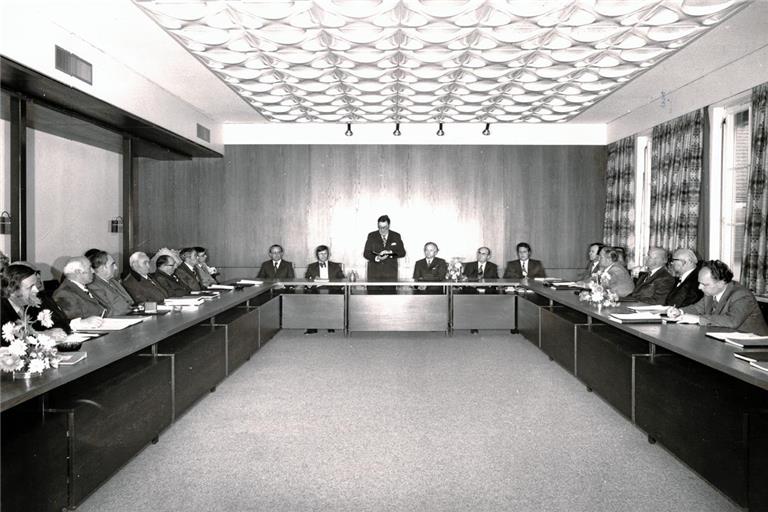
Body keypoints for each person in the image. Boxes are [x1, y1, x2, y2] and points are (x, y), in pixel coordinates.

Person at [668, 260, 768, 334]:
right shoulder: (711, 293)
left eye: (704, 284)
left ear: (721, 283)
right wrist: (679, 311)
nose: (699, 287)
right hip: (727, 340)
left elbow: (732, 321)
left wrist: (698, 319)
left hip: (755, 348)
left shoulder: (742, 295)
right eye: (699, 283)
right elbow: (696, 308)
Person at [1, 264, 71, 342]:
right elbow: (6, 341)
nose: (36, 290)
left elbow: (63, 324)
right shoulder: (2, 309)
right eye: (30, 287)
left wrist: (55, 332)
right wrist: (41, 334)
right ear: (12, 290)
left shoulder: (33, 302)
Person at [303, 245, 344, 335]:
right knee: (310, 298)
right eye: (320, 254)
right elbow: (307, 278)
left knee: (333, 298)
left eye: (325, 253)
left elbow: (341, 278)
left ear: (328, 254)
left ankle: (330, 325)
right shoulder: (311, 266)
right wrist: (309, 282)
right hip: (316, 289)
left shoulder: (336, 266)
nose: (323, 256)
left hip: (332, 289)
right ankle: (312, 327)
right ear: (317, 255)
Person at [86, 249, 134, 316]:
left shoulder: (113, 281)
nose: (116, 268)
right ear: (103, 268)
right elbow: (110, 311)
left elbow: (130, 301)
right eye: (112, 265)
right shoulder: (93, 286)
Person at [363, 215, 406, 281]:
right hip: (374, 275)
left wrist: (390, 253)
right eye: (380, 227)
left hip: (390, 275)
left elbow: (402, 253)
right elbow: (366, 253)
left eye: (384, 227)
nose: (382, 229)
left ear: (389, 225)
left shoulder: (396, 236)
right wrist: (377, 258)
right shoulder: (371, 236)